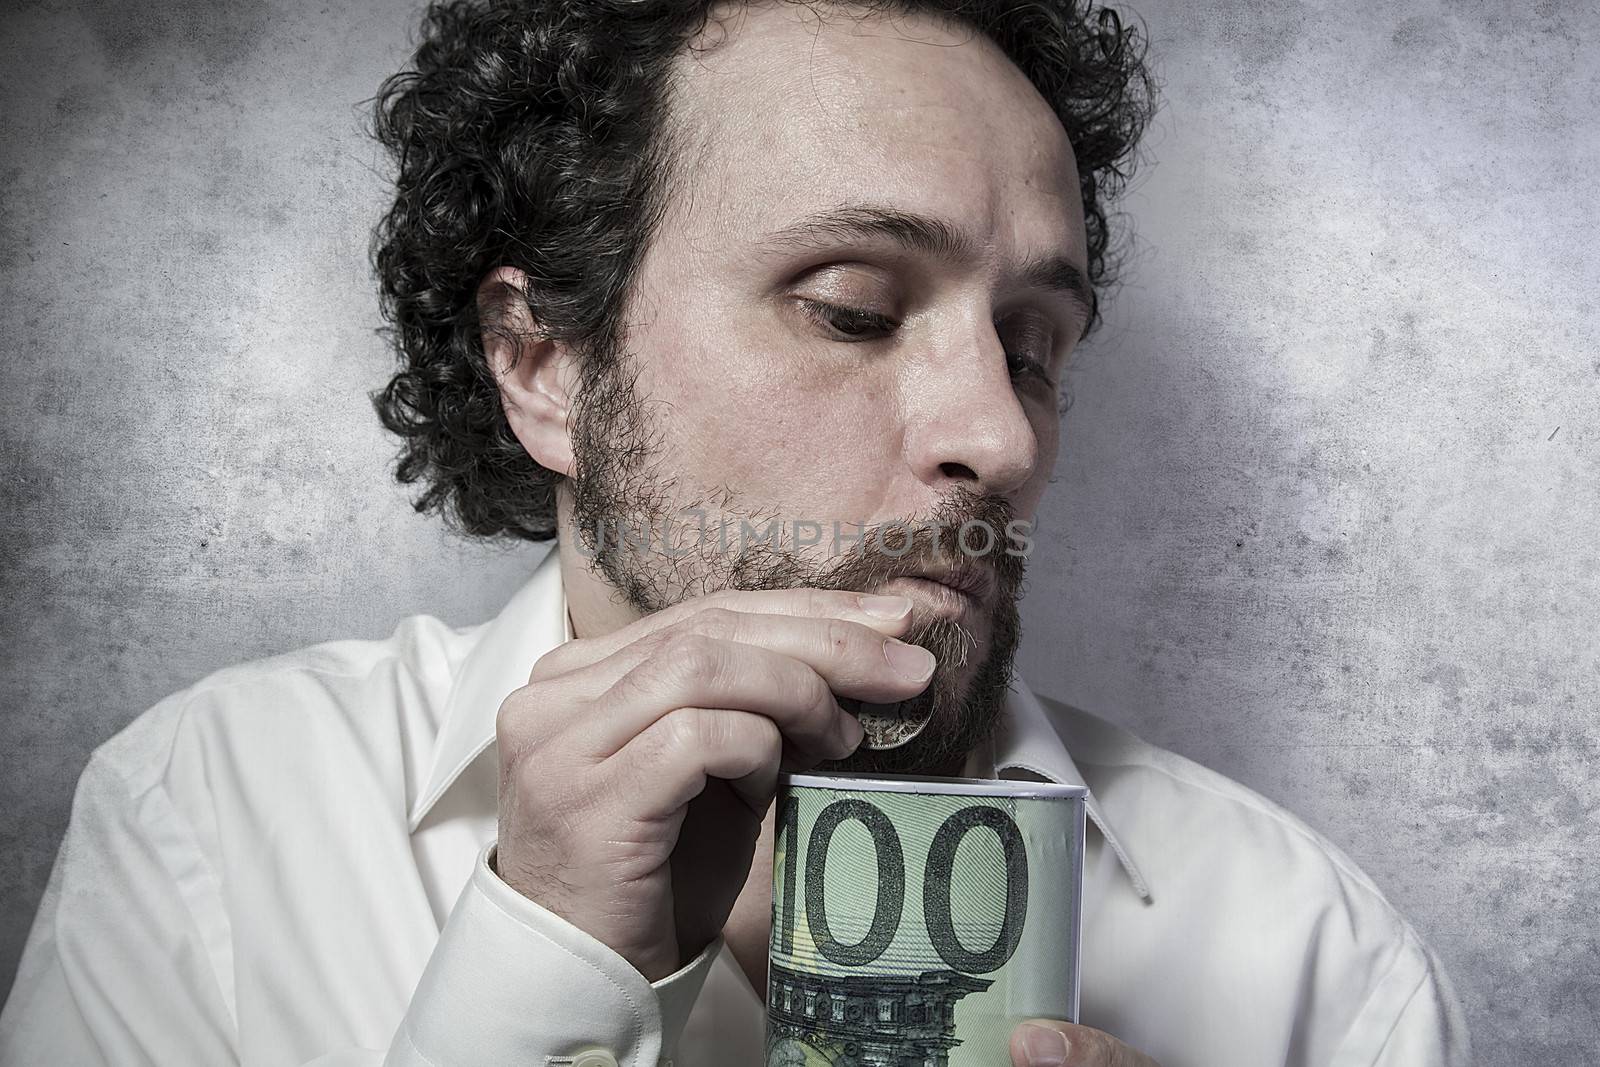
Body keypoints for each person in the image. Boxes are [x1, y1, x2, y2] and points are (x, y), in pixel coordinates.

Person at [0, 1, 1474, 1065]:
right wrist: (542, 965)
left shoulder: (1316, 967)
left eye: (1033, 345)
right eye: (852, 308)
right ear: (545, 365)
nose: (1004, 439)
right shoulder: (218, 824)